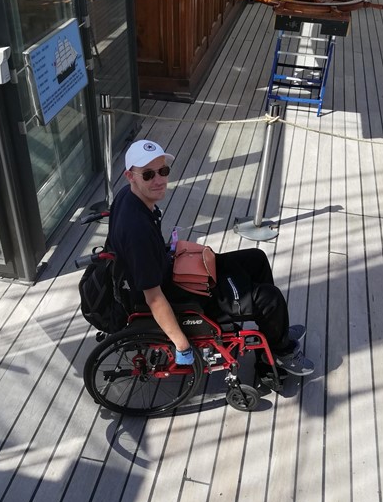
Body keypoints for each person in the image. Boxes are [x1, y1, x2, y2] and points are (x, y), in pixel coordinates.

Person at [108, 139, 314, 379]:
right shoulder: (137, 232)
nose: (159, 180)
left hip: (171, 270)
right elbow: (153, 298)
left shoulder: (128, 196)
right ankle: (279, 353)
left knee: (255, 258)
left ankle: (273, 333)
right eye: (148, 175)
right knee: (270, 298)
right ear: (130, 176)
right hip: (177, 297)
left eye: (163, 171)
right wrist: (182, 344)